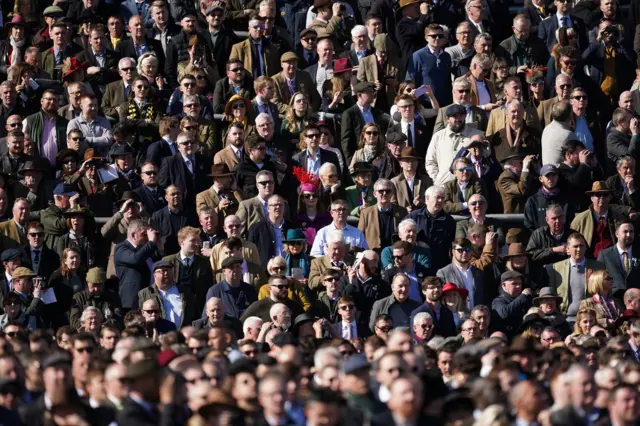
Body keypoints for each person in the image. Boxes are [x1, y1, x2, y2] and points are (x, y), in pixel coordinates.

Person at [545, 232, 605, 323]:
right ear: (568, 248)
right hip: (565, 319)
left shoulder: (597, 267)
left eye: (581, 246)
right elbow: (552, 295)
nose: (579, 249)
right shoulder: (556, 268)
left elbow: (604, 292)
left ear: (585, 248)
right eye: (575, 246)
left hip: (589, 319)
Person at [113, 220, 162, 310]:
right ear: (133, 235)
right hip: (132, 301)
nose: (147, 237)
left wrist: (159, 248)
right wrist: (151, 243)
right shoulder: (121, 247)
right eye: (144, 234)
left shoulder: (147, 250)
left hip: (149, 297)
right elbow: (135, 259)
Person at [137, 260, 197, 329]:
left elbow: (194, 314)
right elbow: (139, 317)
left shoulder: (185, 291)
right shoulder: (145, 293)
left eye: (169, 270)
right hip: (158, 334)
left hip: (182, 334)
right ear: (154, 275)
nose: (166, 273)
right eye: (162, 271)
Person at [597, 221, 640, 299]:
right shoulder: (605, 255)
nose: (629, 235)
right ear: (617, 234)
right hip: (613, 301)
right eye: (625, 231)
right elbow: (598, 280)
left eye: (631, 232)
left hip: (636, 302)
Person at [491, 271, 533, 340]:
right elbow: (504, 313)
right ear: (504, 285)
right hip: (507, 340)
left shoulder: (524, 299)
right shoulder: (498, 301)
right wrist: (522, 296)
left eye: (520, 283)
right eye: (514, 284)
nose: (518, 286)